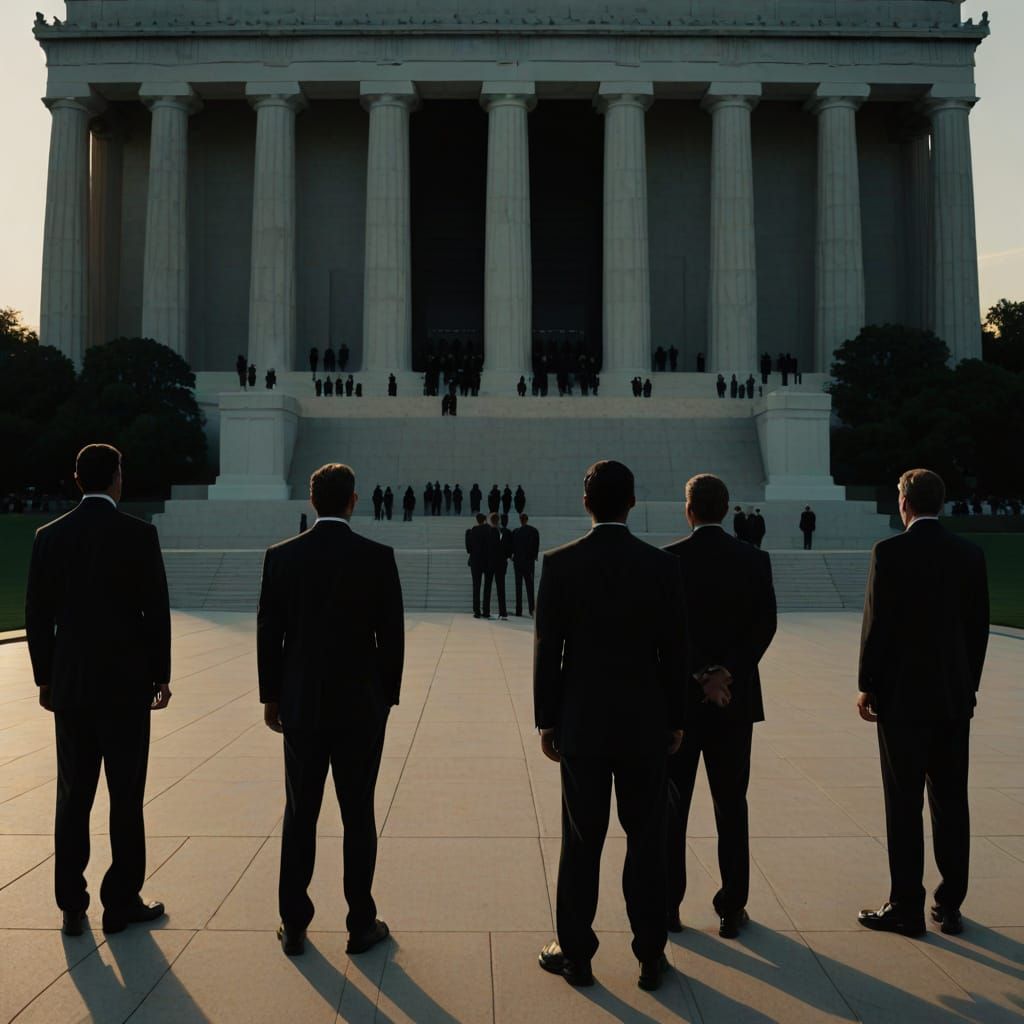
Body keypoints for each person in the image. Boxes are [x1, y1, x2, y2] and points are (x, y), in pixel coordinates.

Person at [534, 460, 687, 992]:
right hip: (645, 724)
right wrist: (676, 719)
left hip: (583, 725)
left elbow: (548, 652)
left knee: (582, 842)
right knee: (647, 840)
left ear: (586, 503)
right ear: (633, 502)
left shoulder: (560, 564)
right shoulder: (662, 566)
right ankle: (650, 953)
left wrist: (547, 720)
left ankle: (576, 955)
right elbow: (675, 651)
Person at [258, 463, 404, 958]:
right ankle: (360, 923)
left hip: (301, 705)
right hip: (360, 707)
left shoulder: (282, 557)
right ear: (353, 500)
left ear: (312, 500)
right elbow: (392, 637)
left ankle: (294, 922)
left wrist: (272, 696)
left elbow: (269, 634)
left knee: (300, 812)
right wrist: (385, 698)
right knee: (357, 814)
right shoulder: (376, 557)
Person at [25, 443, 171, 937]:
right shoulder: (139, 534)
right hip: (127, 686)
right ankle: (120, 902)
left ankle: (72, 905)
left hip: (72, 685)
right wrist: (161, 675)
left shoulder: (49, 536)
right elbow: (155, 612)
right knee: (125, 797)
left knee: (73, 797)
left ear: (76, 478)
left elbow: (37, 616)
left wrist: (46, 677)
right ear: (116, 478)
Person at [855, 470, 988, 939]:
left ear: (904, 503)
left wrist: (867, 684)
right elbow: (977, 630)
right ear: (942, 503)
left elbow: (876, 625)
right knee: (951, 801)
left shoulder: (889, 552)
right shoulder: (969, 554)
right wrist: (967, 686)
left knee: (904, 802)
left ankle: (906, 906)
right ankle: (949, 905)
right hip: (952, 697)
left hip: (902, 698)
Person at [663, 474, 777, 939]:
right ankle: (732, 906)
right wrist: (726, 673)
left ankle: (668, 905)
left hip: (681, 706)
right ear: (727, 510)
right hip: (734, 701)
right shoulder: (754, 559)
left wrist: (698, 675)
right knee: (731, 805)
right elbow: (764, 625)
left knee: (672, 808)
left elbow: (666, 632)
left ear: (688, 509)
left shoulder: (668, 559)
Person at [483, 513, 512, 620]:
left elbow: (485, 548)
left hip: (489, 563)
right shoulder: (505, 532)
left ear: (490, 521)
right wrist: (507, 556)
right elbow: (509, 548)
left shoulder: (487, 532)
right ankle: (503, 612)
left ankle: (486, 611)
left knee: (487, 587)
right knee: (501, 588)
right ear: (498, 520)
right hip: (501, 563)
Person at [512, 513, 540, 617]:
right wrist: (534, 556)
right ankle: (531, 609)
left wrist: (512, 556)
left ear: (520, 520)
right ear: (527, 519)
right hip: (528, 562)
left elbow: (512, 546)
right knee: (530, 586)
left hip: (518, 562)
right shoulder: (533, 531)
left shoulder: (515, 532)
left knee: (518, 586)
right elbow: (536, 545)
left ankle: (518, 610)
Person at [465, 513, 490, 618]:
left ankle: (477, 611)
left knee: (476, 586)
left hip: (475, 561)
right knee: (487, 587)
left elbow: (468, 548)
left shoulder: (472, 531)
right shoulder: (489, 530)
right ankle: (486, 611)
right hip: (487, 561)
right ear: (484, 520)